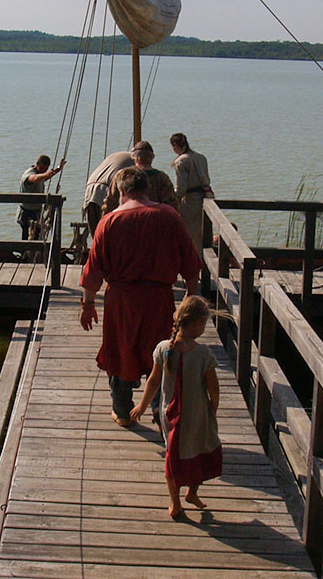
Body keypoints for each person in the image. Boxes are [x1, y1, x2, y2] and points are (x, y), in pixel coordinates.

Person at [79, 167, 202, 428]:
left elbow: (93, 271)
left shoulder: (109, 221)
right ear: (146, 189)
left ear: (122, 192)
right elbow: (191, 264)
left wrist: (88, 305)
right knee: (160, 352)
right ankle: (160, 409)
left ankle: (123, 412)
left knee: (121, 352)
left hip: (122, 301)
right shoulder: (169, 216)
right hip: (159, 299)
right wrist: (190, 300)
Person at [130, 296, 223, 519]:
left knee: (173, 456)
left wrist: (142, 405)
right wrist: (213, 408)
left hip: (168, 414)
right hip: (196, 414)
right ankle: (190, 493)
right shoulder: (203, 355)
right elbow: (214, 388)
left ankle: (177, 501)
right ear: (198, 324)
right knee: (200, 450)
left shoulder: (163, 348)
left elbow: (153, 381)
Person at [102, 140, 178, 215]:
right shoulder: (161, 177)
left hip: (127, 218)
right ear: (151, 157)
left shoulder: (122, 175)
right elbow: (172, 204)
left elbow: (110, 202)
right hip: (155, 219)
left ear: (134, 157)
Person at [170, 133, 213, 254]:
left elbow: (180, 190)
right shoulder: (201, 157)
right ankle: (201, 261)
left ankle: (191, 263)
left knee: (188, 234)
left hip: (190, 202)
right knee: (202, 235)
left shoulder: (181, 162)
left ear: (175, 145)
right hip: (206, 199)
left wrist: (171, 200)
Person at [82, 151, 134, 235]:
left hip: (90, 187)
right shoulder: (137, 163)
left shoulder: (117, 155)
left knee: (97, 234)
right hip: (108, 187)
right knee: (111, 231)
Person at [17, 154, 65, 239]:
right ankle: (25, 252)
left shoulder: (40, 174)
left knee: (38, 236)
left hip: (36, 212)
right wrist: (46, 174)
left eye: (46, 169)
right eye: (42, 168)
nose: (44, 171)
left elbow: (44, 177)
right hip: (26, 212)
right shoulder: (30, 173)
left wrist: (58, 169)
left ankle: (36, 251)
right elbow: (34, 179)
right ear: (37, 164)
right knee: (27, 236)